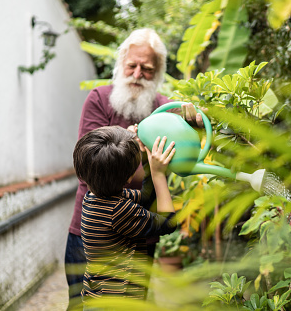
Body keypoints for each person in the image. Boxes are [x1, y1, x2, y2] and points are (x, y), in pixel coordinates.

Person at [65, 28, 203, 309]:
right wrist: (128, 146)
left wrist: (196, 119)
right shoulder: (100, 99)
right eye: (132, 65)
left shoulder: (166, 109)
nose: (138, 73)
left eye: (147, 68)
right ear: (121, 65)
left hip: (139, 232)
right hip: (92, 234)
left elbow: (190, 138)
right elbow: (92, 161)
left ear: (158, 72)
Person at [73, 126, 177, 308]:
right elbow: (168, 223)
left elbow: (146, 197)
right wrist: (159, 175)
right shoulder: (118, 210)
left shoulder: (94, 197)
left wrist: (145, 157)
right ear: (129, 177)